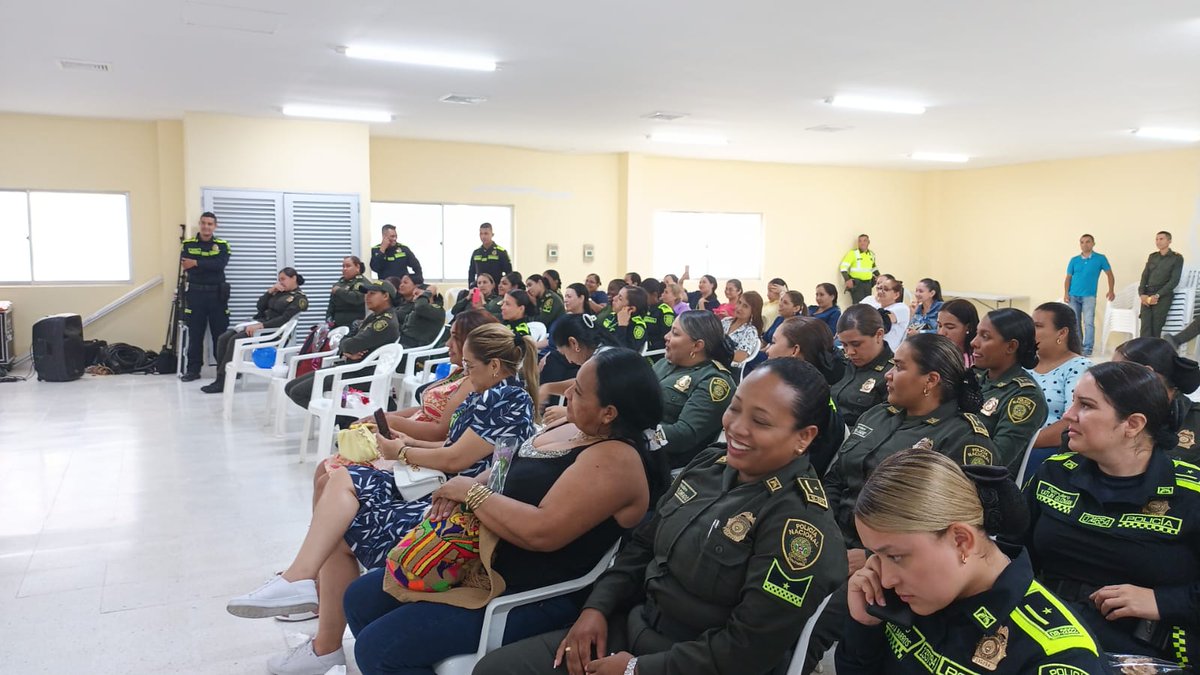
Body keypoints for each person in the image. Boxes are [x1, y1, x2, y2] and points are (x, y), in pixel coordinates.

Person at [475, 358, 846, 675]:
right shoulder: (708, 466)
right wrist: (596, 608)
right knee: (496, 669)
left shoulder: (800, 526)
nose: (735, 426)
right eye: (735, 408)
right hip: (631, 628)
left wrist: (637, 669)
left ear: (803, 437)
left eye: (761, 421)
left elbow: (747, 650)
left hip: (689, 663)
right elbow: (640, 548)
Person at [225, 323, 539, 674]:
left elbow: (457, 459)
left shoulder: (508, 397)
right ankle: (299, 581)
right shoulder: (492, 393)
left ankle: (315, 624)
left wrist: (403, 451)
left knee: (340, 523)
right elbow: (452, 447)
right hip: (446, 485)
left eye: (470, 367)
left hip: (456, 502)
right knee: (339, 479)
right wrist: (403, 445)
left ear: (494, 366)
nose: (465, 373)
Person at [341, 348, 666, 675]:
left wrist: (470, 492)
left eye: (578, 391)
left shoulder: (616, 461)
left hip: (525, 593)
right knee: (359, 598)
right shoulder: (577, 427)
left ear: (609, 413)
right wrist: (468, 485)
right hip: (479, 557)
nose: (566, 394)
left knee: (378, 650)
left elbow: (541, 531)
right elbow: (508, 465)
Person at [810, 334, 999, 669]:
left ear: (931, 380)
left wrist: (870, 555)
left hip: (886, 562)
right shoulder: (878, 416)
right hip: (833, 540)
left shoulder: (963, 438)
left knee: (809, 626)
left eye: (898, 366)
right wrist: (826, 533)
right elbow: (837, 478)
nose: (888, 374)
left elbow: (963, 524)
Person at [837, 449, 1106, 674]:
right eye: (876, 555)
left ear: (961, 541)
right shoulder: (901, 596)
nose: (885, 579)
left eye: (895, 556)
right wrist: (864, 629)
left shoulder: (1056, 654)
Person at [1021, 361, 1200, 669]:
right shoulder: (1055, 472)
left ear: (1132, 424)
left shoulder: (1190, 492)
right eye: (1073, 400)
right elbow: (1014, 552)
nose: (1067, 414)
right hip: (1049, 635)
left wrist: (1164, 602)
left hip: (1145, 651)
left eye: (1086, 405)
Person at [284, 280, 401, 409]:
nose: (367, 297)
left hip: (362, 374)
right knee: (290, 387)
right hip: (350, 367)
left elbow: (351, 344)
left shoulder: (385, 323)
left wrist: (347, 347)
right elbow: (347, 340)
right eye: (367, 293)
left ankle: (342, 421)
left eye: (372, 293)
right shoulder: (374, 316)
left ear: (385, 296)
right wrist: (346, 350)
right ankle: (339, 421)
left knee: (297, 392)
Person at [200, 268, 308, 394]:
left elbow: (284, 319)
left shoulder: (300, 299)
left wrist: (261, 326)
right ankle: (225, 375)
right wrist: (269, 292)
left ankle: (222, 381)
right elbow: (260, 306)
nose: (280, 282)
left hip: (273, 331)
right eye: (279, 279)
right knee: (223, 338)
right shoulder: (279, 292)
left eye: (283, 279)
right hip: (260, 325)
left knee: (235, 340)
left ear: (294, 278)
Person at [653, 310, 737, 468]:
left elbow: (684, 435)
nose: (666, 336)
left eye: (675, 333)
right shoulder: (666, 363)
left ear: (697, 345)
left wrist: (640, 436)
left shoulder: (715, 381)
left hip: (663, 460)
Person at [764, 316, 848, 474]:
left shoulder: (802, 406)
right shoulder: (814, 394)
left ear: (794, 351)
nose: (768, 350)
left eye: (774, 342)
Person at [971, 308, 1049, 475]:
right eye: (977, 334)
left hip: (979, 487)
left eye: (985, 336)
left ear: (1011, 346)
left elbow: (994, 460)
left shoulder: (1025, 396)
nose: (974, 342)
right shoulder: (974, 377)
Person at [1025, 302, 1092, 477]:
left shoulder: (1078, 367)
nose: (1031, 332)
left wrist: (1023, 441)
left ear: (1062, 333)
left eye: (1038, 326)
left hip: (1048, 450)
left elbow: (1074, 421)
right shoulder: (1023, 364)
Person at [1112, 337, 1200, 464]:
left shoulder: (1196, 421)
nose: (1109, 381)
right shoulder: (1114, 414)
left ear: (1146, 374)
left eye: (1117, 374)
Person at [179, 211, 231, 382]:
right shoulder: (188, 244)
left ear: (215, 226)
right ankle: (193, 370)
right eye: (203, 223)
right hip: (195, 294)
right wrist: (202, 265)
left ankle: (224, 371)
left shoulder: (223, 244)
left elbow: (220, 265)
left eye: (210, 224)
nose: (206, 226)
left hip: (217, 295)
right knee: (195, 334)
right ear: (199, 224)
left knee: (220, 335)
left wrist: (196, 262)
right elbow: (187, 266)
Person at [832, 305, 894, 428]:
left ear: (879, 335)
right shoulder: (840, 364)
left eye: (856, 344)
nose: (850, 352)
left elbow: (882, 429)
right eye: (844, 345)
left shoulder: (892, 374)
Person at [1064, 233, 1116, 357]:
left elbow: (1109, 274)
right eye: (1082, 242)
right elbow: (1068, 278)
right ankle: (1078, 347)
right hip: (1073, 295)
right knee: (1075, 322)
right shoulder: (1074, 260)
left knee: (1088, 322)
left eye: (1087, 241)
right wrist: (1066, 293)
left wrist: (1111, 290)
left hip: (1089, 296)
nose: (1084, 244)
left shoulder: (1100, 258)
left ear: (1093, 243)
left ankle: (1087, 349)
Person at [1139, 230, 1184, 338]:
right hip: (1148, 294)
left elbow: (1174, 281)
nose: (1158, 241)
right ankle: (1143, 352)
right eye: (1157, 239)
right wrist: (1142, 294)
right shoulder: (1152, 256)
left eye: (1161, 239)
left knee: (1156, 326)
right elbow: (1144, 276)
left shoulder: (1176, 258)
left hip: (1163, 295)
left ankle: (1154, 353)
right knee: (1145, 325)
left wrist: (1158, 295)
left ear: (1169, 241)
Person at [603, 284, 650, 353]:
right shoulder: (612, 316)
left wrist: (622, 326)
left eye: (620, 299)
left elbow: (626, 353)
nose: (614, 298)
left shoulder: (638, 326)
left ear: (631, 308)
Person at [722, 290, 764, 365]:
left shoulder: (750, 331)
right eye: (739, 302)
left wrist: (717, 353)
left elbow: (739, 357)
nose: (739, 308)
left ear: (753, 311)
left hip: (728, 369)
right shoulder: (725, 321)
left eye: (745, 306)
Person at [326, 256, 367, 329]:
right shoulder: (340, 283)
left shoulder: (362, 283)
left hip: (354, 326)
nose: (344, 269)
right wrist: (328, 318)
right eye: (343, 266)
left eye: (348, 266)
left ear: (357, 267)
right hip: (336, 325)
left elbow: (357, 299)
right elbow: (331, 304)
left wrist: (339, 291)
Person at [937, 298, 979, 368]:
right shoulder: (934, 355)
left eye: (950, 327)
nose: (941, 333)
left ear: (968, 327)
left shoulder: (977, 358)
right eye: (939, 326)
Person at [467, 222, 512, 287]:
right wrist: (471, 288)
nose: (483, 236)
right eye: (481, 234)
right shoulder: (476, 253)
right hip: (480, 288)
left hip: (496, 289)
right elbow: (471, 273)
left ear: (492, 234)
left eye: (486, 233)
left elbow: (509, 273)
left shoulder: (501, 252)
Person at [840, 233, 879, 305]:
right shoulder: (853, 253)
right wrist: (847, 280)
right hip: (857, 284)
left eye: (864, 241)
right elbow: (843, 267)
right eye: (860, 241)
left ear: (868, 242)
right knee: (858, 305)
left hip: (868, 284)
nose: (862, 243)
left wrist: (879, 276)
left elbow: (873, 267)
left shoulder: (871, 254)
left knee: (868, 305)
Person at [873, 277, 910, 352]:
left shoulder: (901, 308)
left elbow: (882, 321)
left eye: (885, 289)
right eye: (879, 288)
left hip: (889, 354)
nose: (880, 291)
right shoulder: (876, 307)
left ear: (896, 295)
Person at [640, 278, 675, 352]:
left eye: (645, 295)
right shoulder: (643, 308)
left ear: (654, 294)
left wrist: (649, 349)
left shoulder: (665, 312)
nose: (641, 298)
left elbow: (666, 337)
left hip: (656, 352)